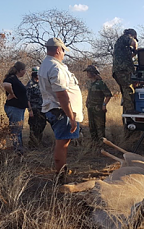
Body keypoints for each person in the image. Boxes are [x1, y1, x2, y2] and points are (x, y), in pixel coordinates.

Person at [38, 37, 83, 178]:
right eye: (63, 50)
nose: (64, 53)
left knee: (64, 141)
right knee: (62, 143)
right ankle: (61, 176)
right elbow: (62, 95)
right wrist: (71, 116)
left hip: (56, 110)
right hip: (61, 111)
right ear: (58, 49)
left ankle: (62, 171)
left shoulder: (47, 64)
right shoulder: (55, 67)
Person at [2, 61, 33, 155]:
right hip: (14, 108)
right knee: (16, 130)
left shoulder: (16, 79)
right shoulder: (11, 78)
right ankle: (18, 152)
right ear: (20, 70)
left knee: (18, 130)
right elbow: (6, 84)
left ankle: (19, 150)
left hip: (19, 108)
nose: (25, 72)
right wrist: (11, 93)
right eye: (24, 70)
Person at [84, 65, 112, 145]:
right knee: (92, 126)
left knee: (100, 126)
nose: (87, 74)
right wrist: (87, 101)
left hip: (98, 108)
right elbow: (89, 94)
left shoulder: (100, 83)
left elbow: (108, 95)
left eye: (89, 72)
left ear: (93, 73)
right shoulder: (90, 83)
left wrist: (104, 105)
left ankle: (102, 143)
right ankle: (94, 143)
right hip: (90, 107)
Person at [112, 28, 138, 114]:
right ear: (132, 35)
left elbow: (129, 56)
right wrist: (136, 48)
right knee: (128, 89)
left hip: (119, 70)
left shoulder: (122, 46)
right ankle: (130, 110)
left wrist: (134, 52)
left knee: (125, 90)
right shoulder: (125, 38)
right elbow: (134, 43)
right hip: (123, 70)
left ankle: (127, 110)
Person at [26, 66, 47, 148]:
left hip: (43, 108)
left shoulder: (42, 83)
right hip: (34, 109)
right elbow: (27, 99)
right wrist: (30, 110)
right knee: (34, 126)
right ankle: (33, 144)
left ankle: (39, 141)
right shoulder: (30, 85)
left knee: (42, 124)